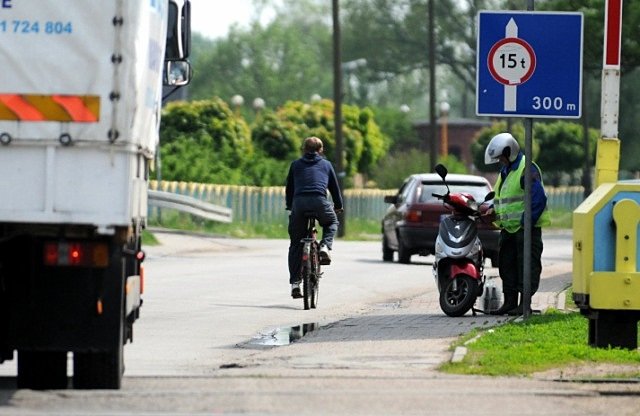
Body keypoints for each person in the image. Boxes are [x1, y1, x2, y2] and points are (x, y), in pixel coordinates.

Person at [484, 132, 550, 315]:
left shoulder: (526, 169)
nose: (500, 161)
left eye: (501, 158)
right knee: (507, 266)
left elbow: (538, 199)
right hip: (508, 230)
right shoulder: (505, 172)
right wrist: (493, 211)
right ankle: (510, 303)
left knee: (527, 266)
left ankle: (524, 304)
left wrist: (525, 223)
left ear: (509, 152)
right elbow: (503, 199)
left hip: (526, 230)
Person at [286, 136, 344, 299]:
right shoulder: (326, 165)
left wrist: (290, 206)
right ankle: (325, 247)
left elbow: (290, 188)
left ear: (303, 149)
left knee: (296, 244)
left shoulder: (295, 165)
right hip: (320, 202)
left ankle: (295, 283)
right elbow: (334, 188)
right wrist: (338, 206)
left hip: (299, 204)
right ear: (321, 150)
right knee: (331, 221)